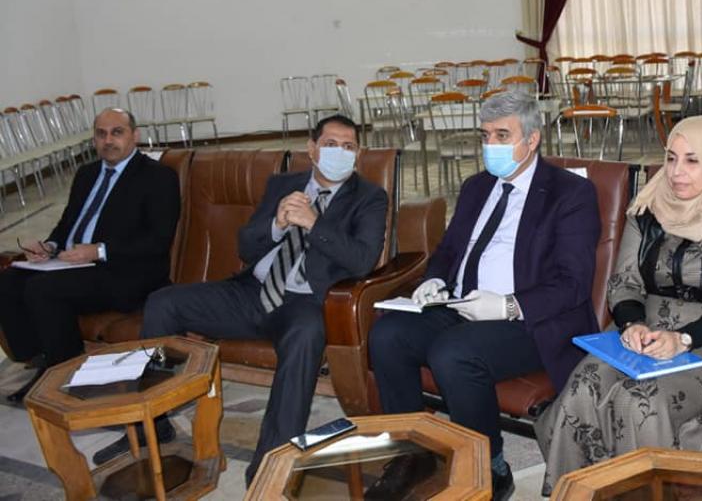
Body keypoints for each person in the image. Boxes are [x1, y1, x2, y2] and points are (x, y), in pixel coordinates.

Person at [94, 114, 388, 485]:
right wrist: (277, 225)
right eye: (331, 145)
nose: (340, 153)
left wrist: (314, 223)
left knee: (306, 335)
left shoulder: (369, 197)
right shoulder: (283, 184)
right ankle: (152, 422)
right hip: (250, 292)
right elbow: (246, 247)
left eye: (349, 147)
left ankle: (270, 469)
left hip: (304, 304)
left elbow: (362, 260)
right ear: (312, 149)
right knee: (163, 303)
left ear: (358, 154)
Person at [367, 91, 601, 501]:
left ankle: (490, 467)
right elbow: (449, 251)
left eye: (502, 135)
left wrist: (509, 305)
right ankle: (412, 453)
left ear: (532, 139)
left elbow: (574, 283)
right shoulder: (477, 187)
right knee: (388, 336)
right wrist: (434, 280)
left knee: (454, 353)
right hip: (461, 305)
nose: (490, 145)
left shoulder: (569, 193)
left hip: (531, 320)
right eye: (485, 135)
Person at [536, 116, 702, 493]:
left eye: (692, 160)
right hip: (645, 327)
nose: (676, 172)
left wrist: (683, 339)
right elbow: (624, 281)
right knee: (583, 384)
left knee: (637, 400)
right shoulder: (647, 209)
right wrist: (632, 324)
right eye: (671, 158)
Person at [0, 108, 180, 401]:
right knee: (8, 280)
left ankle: (66, 373)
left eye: (117, 132)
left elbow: (158, 241)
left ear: (134, 135)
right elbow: (67, 224)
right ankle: (39, 358)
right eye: (101, 134)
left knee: (43, 290)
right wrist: (50, 247)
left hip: (125, 271)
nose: (108, 140)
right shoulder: (87, 173)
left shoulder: (158, 177)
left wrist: (99, 250)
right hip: (73, 263)